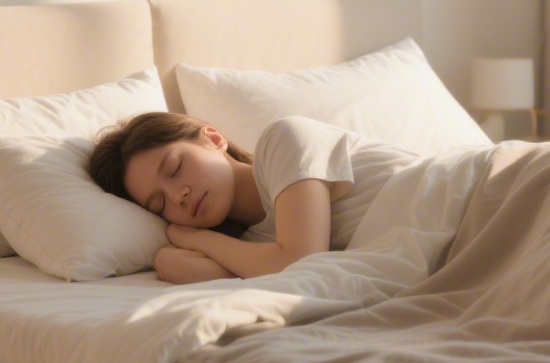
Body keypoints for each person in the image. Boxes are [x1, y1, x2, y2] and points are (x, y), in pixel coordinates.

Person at [88, 112, 417, 284]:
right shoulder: (254, 247)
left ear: (213, 138)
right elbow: (272, 272)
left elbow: (299, 265)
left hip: (455, 197)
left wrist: (192, 236)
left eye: (175, 169)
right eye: (160, 205)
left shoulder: (285, 140)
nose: (179, 197)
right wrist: (167, 256)